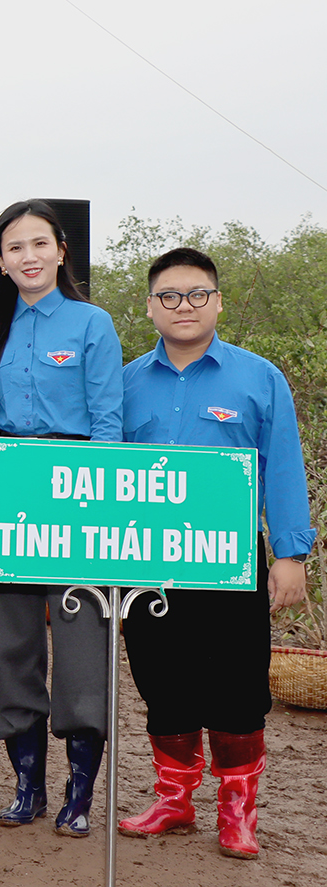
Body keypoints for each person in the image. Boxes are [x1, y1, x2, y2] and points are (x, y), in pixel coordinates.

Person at [117, 247, 313, 860]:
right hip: (145, 565)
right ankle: (174, 800)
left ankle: (237, 812)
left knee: (237, 686)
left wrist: (289, 554)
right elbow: (99, 477)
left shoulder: (260, 378)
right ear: (150, 306)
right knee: (161, 681)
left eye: (197, 294)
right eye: (170, 296)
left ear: (218, 301)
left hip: (229, 560)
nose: (184, 306)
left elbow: (282, 468)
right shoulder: (122, 384)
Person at [0, 200, 122, 836]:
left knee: (84, 648)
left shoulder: (92, 324)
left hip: (79, 495)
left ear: (61, 251)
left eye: (39, 243)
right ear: (1, 263)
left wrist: (101, 507)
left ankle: (80, 791)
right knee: (8, 646)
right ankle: (27, 785)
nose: (27, 256)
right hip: (10, 492)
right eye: (14, 247)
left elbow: (109, 424)